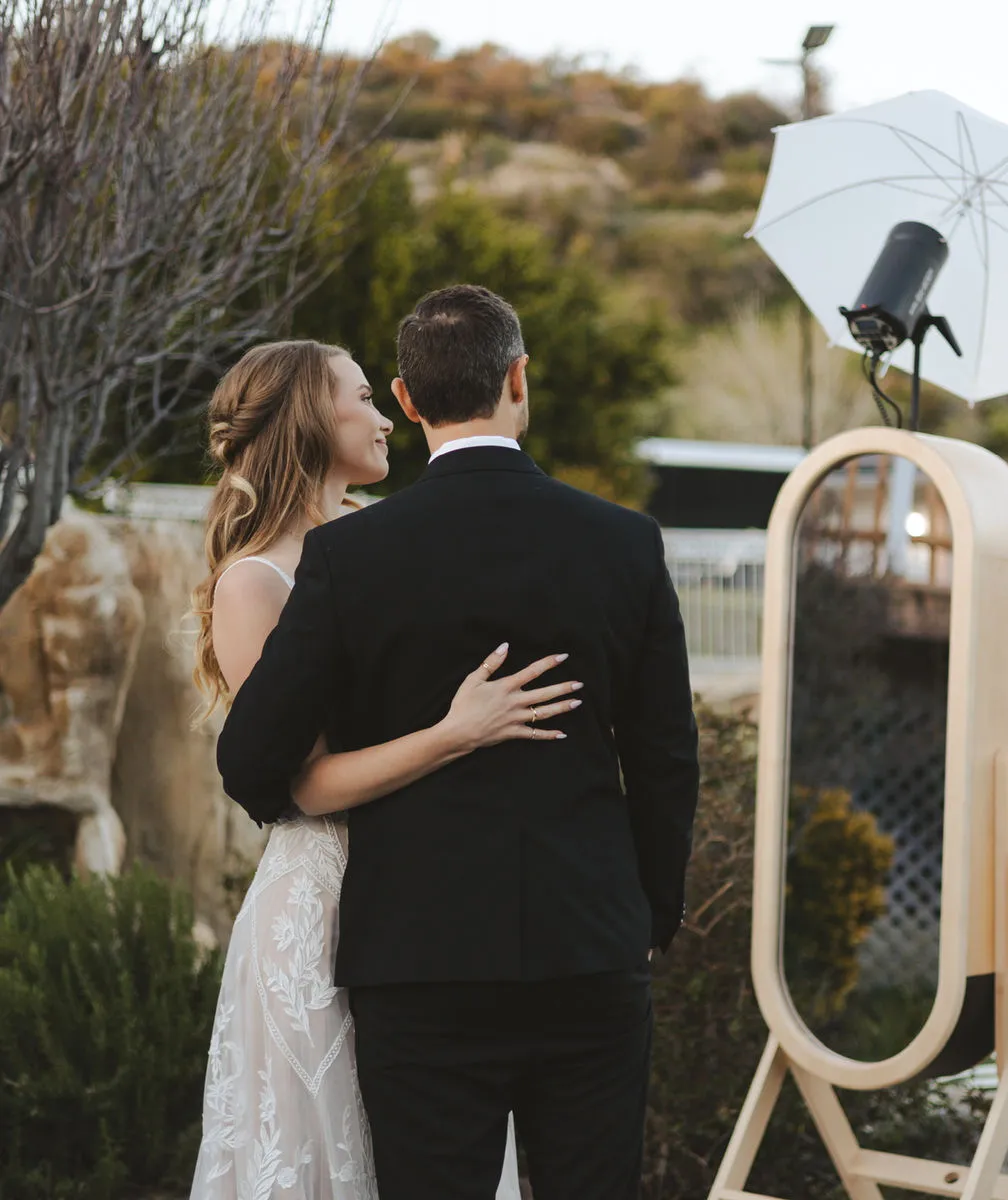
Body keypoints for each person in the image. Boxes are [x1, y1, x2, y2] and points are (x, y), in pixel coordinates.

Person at [217, 285, 700, 1200]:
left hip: (417, 961)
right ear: (519, 379)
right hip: (590, 947)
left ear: (406, 398)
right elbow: (668, 757)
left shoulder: (350, 558)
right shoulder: (625, 543)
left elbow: (251, 763)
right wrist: (648, 915)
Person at [189, 339, 578, 1199]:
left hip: (427, 894)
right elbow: (302, 785)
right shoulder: (253, 586)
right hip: (321, 908)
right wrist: (455, 734)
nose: (384, 416)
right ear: (308, 420)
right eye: (363, 397)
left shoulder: (380, 539)